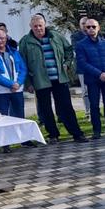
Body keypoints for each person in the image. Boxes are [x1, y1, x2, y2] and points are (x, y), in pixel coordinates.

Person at [19, 14, 88, 143]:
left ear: (45, 24)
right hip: (40, 80)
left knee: (66, 107)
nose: (38, 28)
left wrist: (67, 64)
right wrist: (28, 82)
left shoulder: (56, 36)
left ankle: (77, 133)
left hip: (59, 78)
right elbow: (22, 63)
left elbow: (68, 50)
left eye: (40, 25)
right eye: (35, 26)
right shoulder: (25, 42)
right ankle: (53, 135)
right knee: (46, 109)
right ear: (31, 27)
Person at [75, 18, 105, 139]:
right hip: (92, 80)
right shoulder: (80, 45)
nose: (91, 29)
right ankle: (97, 130)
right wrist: (99, 73)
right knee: (94, 105)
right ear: (85, 29)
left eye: (93, 27)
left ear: (98, 28)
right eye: (88, 27)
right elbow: (82, 63)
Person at [0, 28, 27, 121]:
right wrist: (11, 84)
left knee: (20, 117)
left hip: (17, 90)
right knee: (3, 118)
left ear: (6, 39)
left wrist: (18, 83)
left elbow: (23, 69)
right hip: (1, 92)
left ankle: (21, 135)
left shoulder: (14, 52)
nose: (0, 41)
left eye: (2, 38)